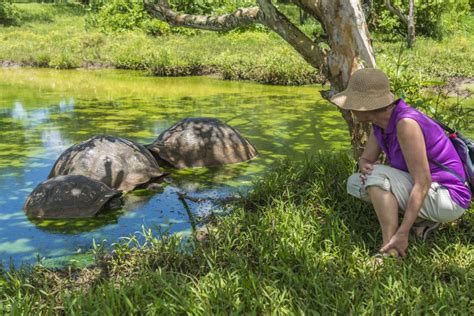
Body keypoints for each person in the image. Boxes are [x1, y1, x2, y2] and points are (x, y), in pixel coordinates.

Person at [330, 68, 471, 258]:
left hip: (449, 197)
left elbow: (423, 182)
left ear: (367, 106)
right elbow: (367, 159)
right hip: (432, 192)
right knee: (355, 182)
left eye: (353, 102)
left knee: (376, 176)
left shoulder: (405, 124)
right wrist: (364, 164)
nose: (348, 107)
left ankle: (391, 248)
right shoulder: (380, 123)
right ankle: (422, 220)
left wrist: (403, 232)